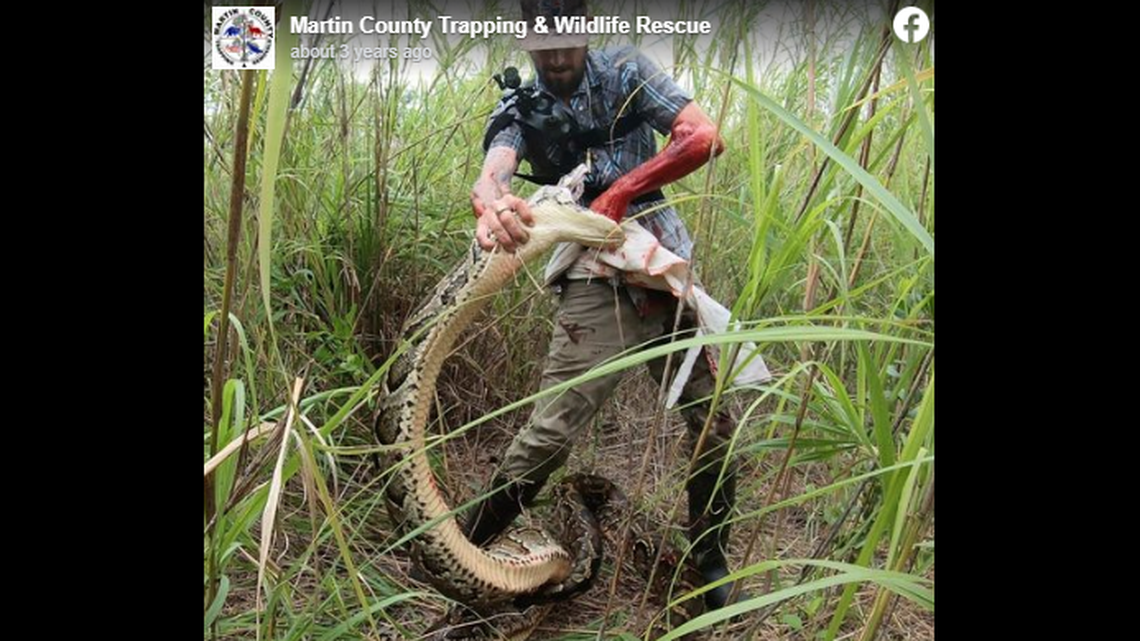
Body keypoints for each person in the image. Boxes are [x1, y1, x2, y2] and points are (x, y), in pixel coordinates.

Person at [465, 0, 744, 610]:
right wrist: (493, 205)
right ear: (527, 40)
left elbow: (703, 137)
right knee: (550, 435)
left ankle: (711, 567)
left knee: (716, 421)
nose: (559, 54)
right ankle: (462, 550)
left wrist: (621, 190)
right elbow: (494, 175)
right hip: (593, 277)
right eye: (545, 41)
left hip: (664, 265)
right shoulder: (517, 108)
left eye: (569, 37)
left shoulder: (625, 72)